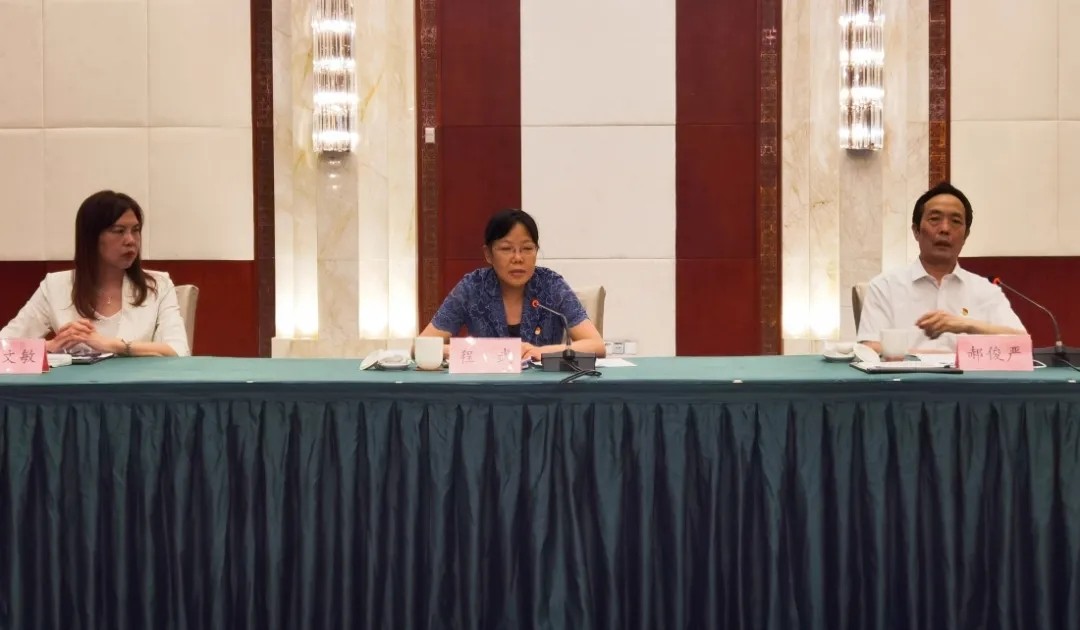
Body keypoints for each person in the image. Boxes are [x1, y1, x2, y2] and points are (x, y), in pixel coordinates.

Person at [0, 190, 191, 357]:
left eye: (136, 230)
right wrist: (50, 347)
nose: (131, 240)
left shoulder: (158, 285)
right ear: (91, 238)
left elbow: (179, 351)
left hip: (136, 387)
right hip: (73, 388)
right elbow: (3, 348)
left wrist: (113, 346)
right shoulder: (56, 286)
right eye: (119, 231)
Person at [856, 181, 1025, 354]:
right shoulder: (885, 287)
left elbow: (1021, 344)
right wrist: (942, 359)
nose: (945, 229)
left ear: (965, 235)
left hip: (970, 373)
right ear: (916, 231)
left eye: (955, 221)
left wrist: (967, 325)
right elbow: (870, 348)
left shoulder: (985, 291)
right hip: (907, 373)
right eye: (934, 219)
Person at [419, 208, 606, 361]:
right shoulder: (472, 287)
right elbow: (421, 346)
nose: (518, 258)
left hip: (544, 390)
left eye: (527, 248)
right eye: (506, 249)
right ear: (488, 254)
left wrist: (542, 352)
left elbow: (596, 345)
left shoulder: (551, 285)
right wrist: (479, 351)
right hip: (487, 389)